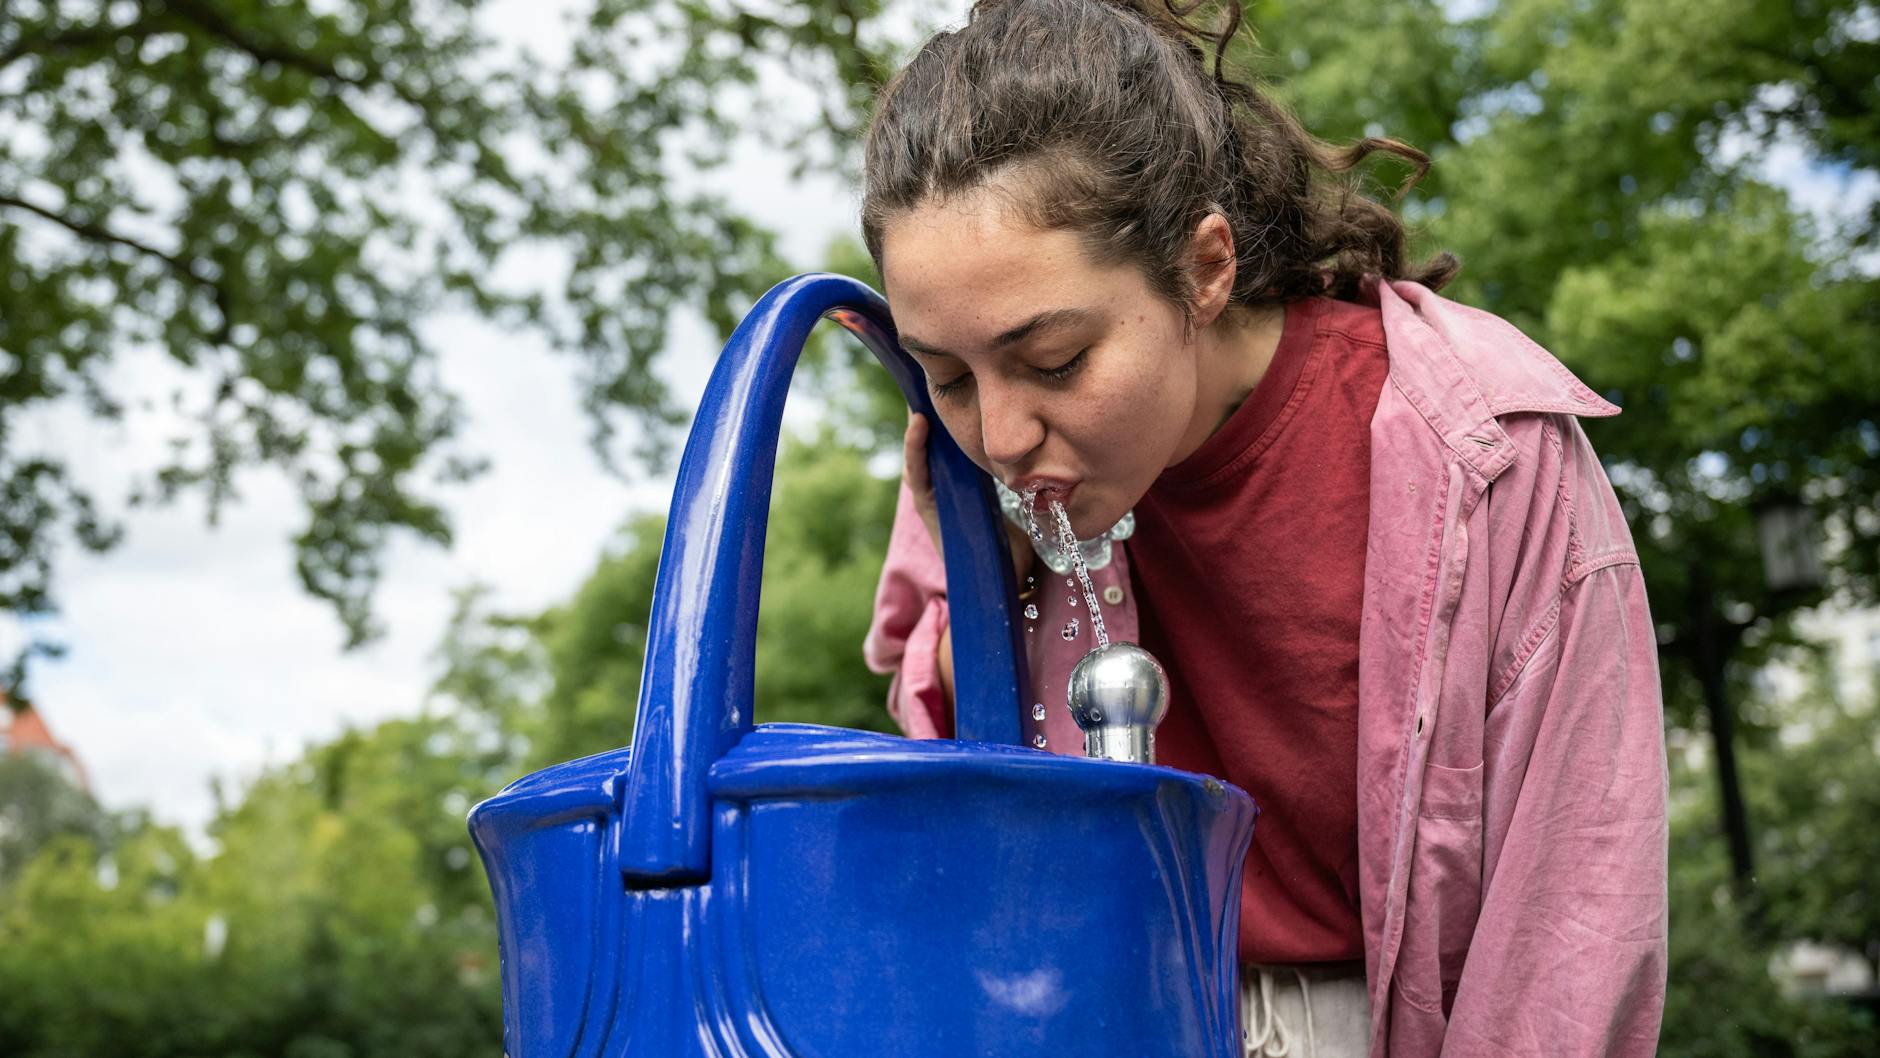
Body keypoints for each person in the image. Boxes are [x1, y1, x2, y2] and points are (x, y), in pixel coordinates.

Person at [858, 1, 1669, 1056]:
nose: (1002, 431)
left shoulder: (1481, 453)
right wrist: (982, 586)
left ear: (1204, 267)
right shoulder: (967, 471)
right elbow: (962, 829)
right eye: (947, 373)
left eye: (1053, 359)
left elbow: (1570, 930)